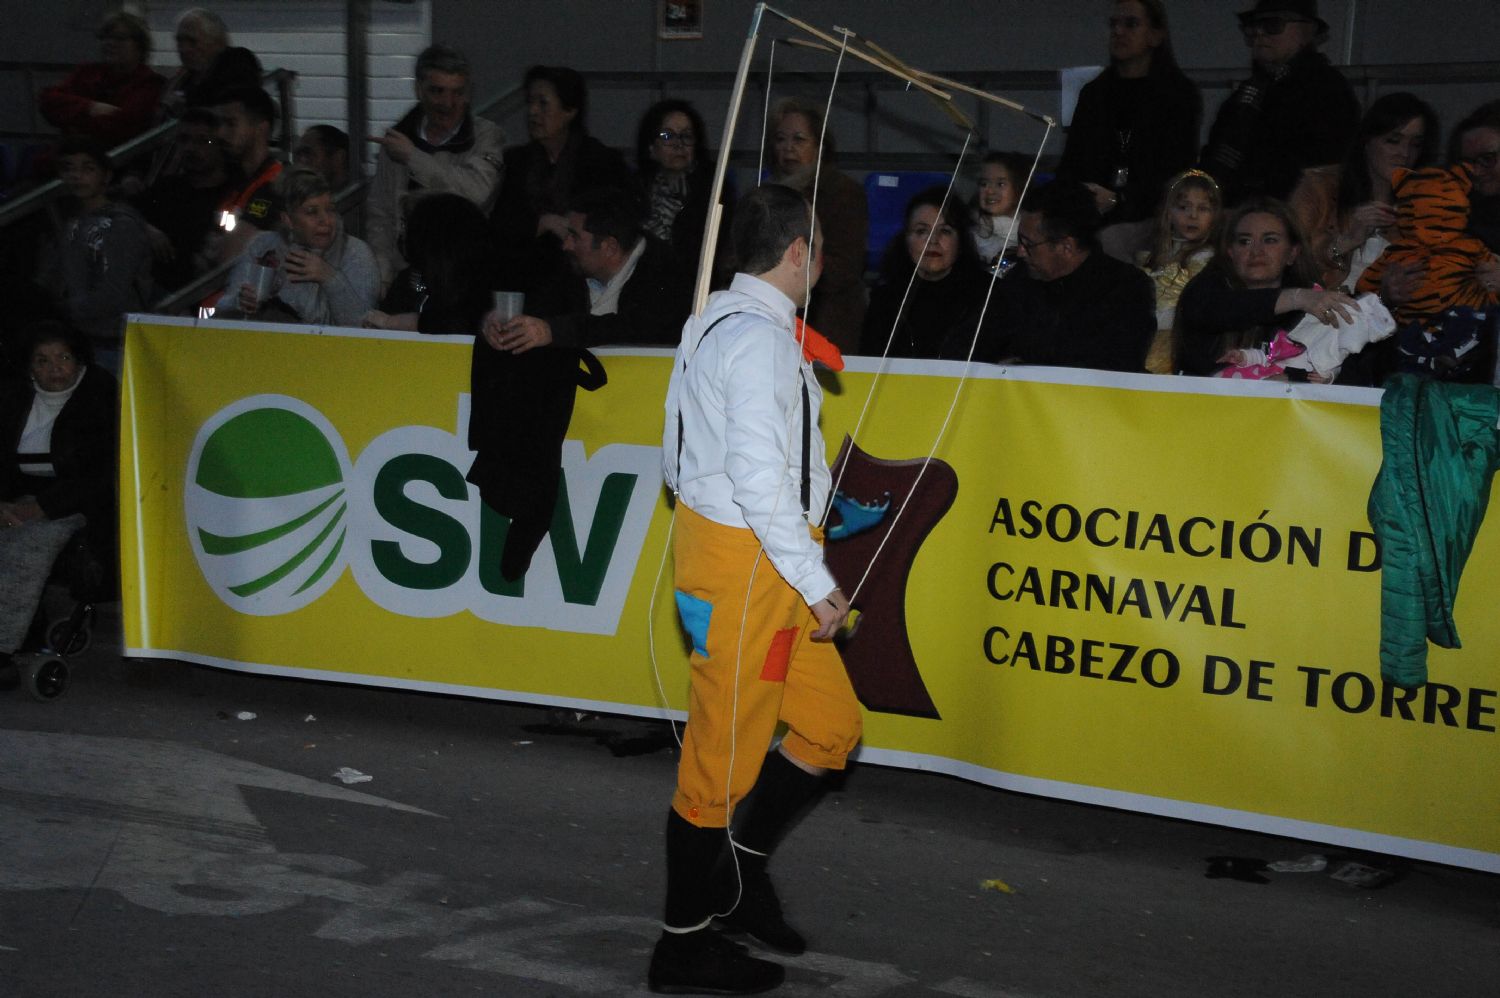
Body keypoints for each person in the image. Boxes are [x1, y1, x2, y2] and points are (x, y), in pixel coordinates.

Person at [653, 183, 858, 995]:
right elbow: (754, 476)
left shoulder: (724, 323)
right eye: (820, 252)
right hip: (749, 567)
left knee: (830, 730)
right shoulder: (755, 343)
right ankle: (681, 945)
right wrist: (815, 584)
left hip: (757, 559)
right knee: (721, 763)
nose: (824, 266)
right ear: (798, 252)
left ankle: (735, 880)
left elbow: (682, 458)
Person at [956, 179, 1156, 372]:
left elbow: (1116, 364)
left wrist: (1029, 365)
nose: (1020, 252)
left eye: (1029, 244)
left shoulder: (1127, 288)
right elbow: (968, 343)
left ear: (1066, 247)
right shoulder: (1020, 280)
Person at [1056, 0, 1201, 261]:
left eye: (1131, 24)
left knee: (1111, 241)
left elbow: (1176, 171)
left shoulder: (1178, 95)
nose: (1118, 32)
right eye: (1114, 24)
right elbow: (1072, 161)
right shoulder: (1095, 93)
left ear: (1155, 35)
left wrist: (1120, 199)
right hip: (1092, 209)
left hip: (1151, 213)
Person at [482, 186, 691, 353]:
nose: (566, 244)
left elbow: (630, 330)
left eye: (574, 237)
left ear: (609, 247)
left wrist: (553, 332)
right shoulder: (572, 267)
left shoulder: (667, 276)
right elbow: (542, 306)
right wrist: (501, 324)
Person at [366, 44, 504, 294]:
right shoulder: (398, 139)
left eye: (457, 93)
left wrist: (413, 157)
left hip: (462, 277)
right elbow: (381, 214)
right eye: (437, 91)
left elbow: (478, 193)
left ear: (469, 93)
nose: (448, 103)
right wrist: (382, 274)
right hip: (403, 273)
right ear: (419, 90)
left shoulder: (487, 136)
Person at [1174, 197, 1357, 377]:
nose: (1256, 251)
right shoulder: (1204, 293)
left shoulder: (1312, 303)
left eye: (1270, 240)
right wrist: (1296, 298)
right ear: (1230, 252)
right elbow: (1209, 310)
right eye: (1245, 241)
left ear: (1293, 253)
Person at [489, 65, 631, 297]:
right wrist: (540, 223)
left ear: (569, 110)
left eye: (543, 103)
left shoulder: (600, 161)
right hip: (523, 275)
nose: (533, 111)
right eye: (530, 102)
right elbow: (501, 223)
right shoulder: (516, 161)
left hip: (581, 276)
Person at [1199, 0, 1359, 206]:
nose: (1259, 33)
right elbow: (1215, 158)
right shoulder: (1247, 95)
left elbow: (1322, 170)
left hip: (1289, 218)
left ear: (1307, 31)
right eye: (1252, 27)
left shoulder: (1327, 91)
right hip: (1240, 216)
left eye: (1273, 25)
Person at [0, 321, 119, 594]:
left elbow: (101, 471)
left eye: (63, 358)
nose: (54, 368)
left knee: (27, 550)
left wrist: (42, 506)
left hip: (74, 501)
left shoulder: (99, 393)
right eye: (42, 360)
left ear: (78, 361)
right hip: (16, 497)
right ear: (30, 367)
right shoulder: (12, 396)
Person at [1290, 93, 1439, 292]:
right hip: (1320, 313)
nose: (1404, 153)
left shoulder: (1426, 205)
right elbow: (1289, 263)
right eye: (1393, 140)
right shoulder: (1319, 188)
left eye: (1415, 144)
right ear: (1367, 140)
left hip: (1390, 318)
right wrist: (1346, 241)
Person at [36, 138, 153, 375]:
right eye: (69, 168)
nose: (77, 176)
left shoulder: (120, 225)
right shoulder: (71, 222)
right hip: (83, 338)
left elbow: (115, 292)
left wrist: (63, 310)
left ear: (106, 175)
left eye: (87, 168)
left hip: (114, 340)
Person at [766, 96, 869, 355]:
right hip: (769, 319)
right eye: (780, 139)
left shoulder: (844, 193)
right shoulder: (762, 196)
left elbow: (845, 267)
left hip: (824, 317)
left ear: (820, 147)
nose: (788, 148)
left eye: (799, 139)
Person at [222, 167, 378, 327]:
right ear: (287, 219)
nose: (325, 220)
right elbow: (222, 313)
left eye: (330, 209)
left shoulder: (356, 254)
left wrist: (330, 278)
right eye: (312, 212)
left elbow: (363, 327)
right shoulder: (262, 246)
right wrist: (240, 303)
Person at [862, 186, 990, 359]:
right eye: (922, 231)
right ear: (906, 238)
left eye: (945, 231)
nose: (933, 241)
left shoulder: (987, 295)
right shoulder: (885, 299)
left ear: (960, 241)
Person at [365, 192, 498, 335]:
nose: (402, 233)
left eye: (407, 225)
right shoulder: (408, 280)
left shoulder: (478, 291)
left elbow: (456, 323)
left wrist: (391, 322)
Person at [133, 106, 233, 291]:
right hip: (161, 293)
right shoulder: (167, 188)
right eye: (184, 140)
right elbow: (129, 215)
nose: (190, 148)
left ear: (221, 144)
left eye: (203, 141)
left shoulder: (234, 193)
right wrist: (147, 230)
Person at [37, 11, 165, 148]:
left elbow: (123, 126)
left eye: (119, 38)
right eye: (105, 37)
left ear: (140, 46)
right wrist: (91, 107)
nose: (109, 43)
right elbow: (48, 100)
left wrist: (72, 119)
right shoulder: (87, 73)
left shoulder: (150, 84)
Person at [1138, 169, 1223, 373]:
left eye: (1203, 209)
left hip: (1177, 347)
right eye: (1183, 207)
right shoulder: (1150, 258)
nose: (1192, 215)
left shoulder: (1208, 260)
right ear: (1168, 212)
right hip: (1142, 342)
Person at [635, 99, 723, 277]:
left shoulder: (715, 189)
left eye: (686, 136)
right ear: (651, 147)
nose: (678, 145)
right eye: (667, 136)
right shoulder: (636, 190)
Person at [211, 86, 284, 263]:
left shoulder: (276, 183)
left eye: (231, 124)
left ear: (261, 129)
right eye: (219, 124)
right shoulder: (234, 178)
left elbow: (230, 256)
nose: (220, 133)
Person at [161, 8, 263, 115]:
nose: (183, 49)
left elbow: (236, 106)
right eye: (179, 41)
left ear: (217, 42)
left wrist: (188, 106)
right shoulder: (183, 78)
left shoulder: (238, 62)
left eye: (192, 41)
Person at [971, 151, 1027, 266]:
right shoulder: (969, 232)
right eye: (984, 184)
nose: (990, 191)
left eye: (1000, 184)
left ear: (1018, 189)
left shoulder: (1033, 232)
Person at [294, 125, 352, 190]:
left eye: (308, 154)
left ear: (338, 158)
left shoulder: (357, 195)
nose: (301, 161)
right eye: (299, 154)